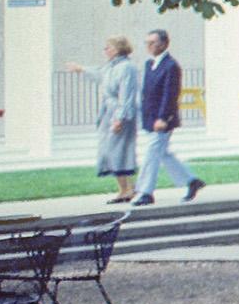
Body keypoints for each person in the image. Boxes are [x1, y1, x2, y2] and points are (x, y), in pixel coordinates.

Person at [64, 36, 142, 204]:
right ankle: (126, 188)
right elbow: (99, 74)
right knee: (110, 150)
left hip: (120, 113)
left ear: (116, 49)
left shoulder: (126, 67)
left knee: (118, 150)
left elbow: (126, 94)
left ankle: (128, 189)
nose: (105, 50)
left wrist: (119, 118)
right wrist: (80, 69)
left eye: (108, 47)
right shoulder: (111, 67)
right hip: (109, 112)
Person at [134, 29, 205, 206]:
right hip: (150, 117)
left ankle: (145, 191)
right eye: (147, 43)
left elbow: (170, 94)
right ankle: (191, 181)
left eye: (153, 43)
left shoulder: (171, 66)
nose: (149, 46)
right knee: (163, 153)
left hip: (163, 120)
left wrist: (163, 117)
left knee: (152, 154)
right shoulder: (149, 64)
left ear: (164, 44)